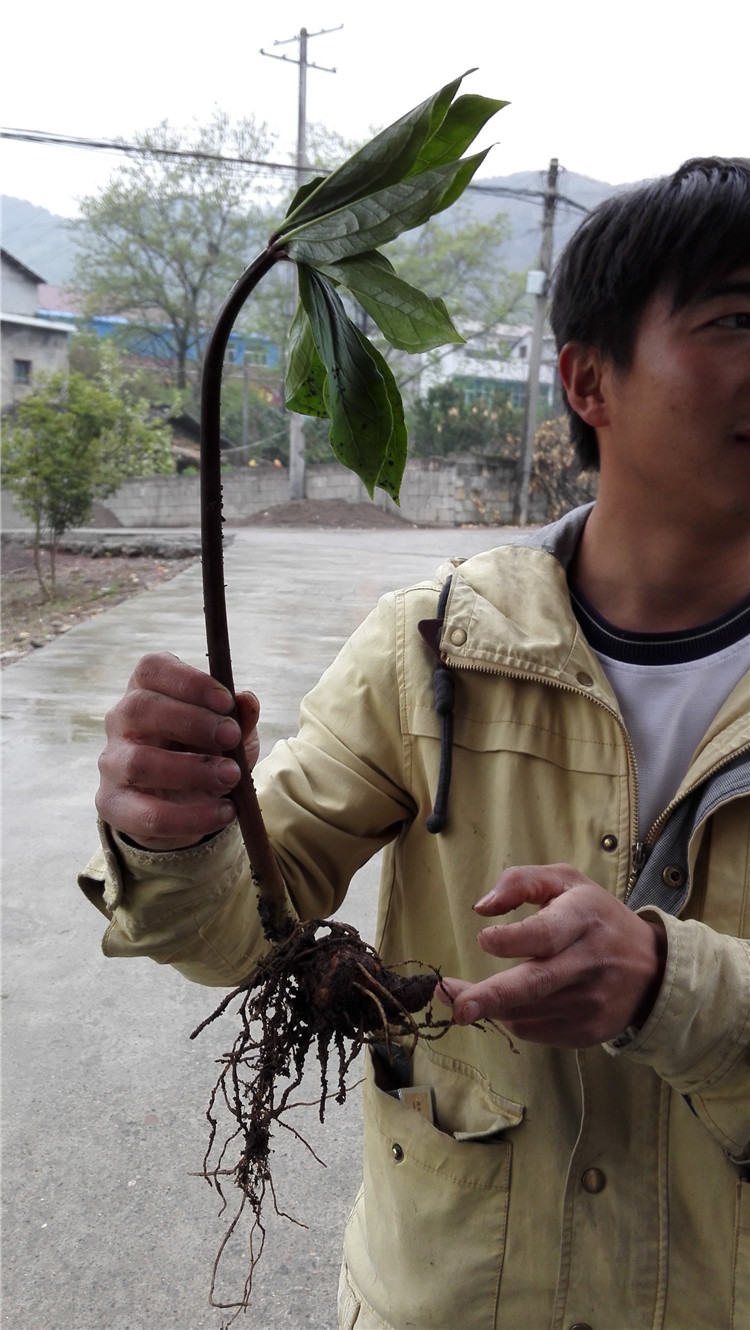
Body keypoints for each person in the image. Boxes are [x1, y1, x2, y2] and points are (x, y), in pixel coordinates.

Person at [81, 157, 750, 1330]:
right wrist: (175, 836)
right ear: (588, 378)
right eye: (740, 319)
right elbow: (247, 926)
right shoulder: (434, 643)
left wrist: (667, 987)